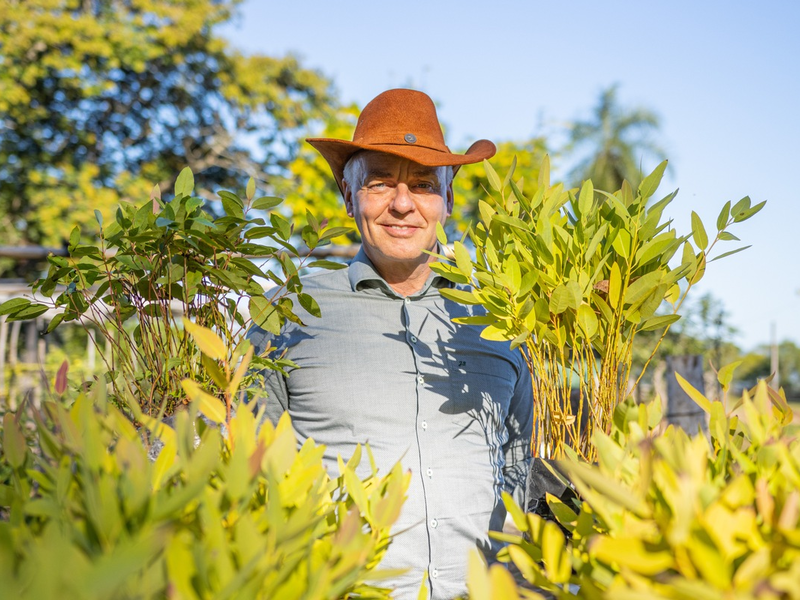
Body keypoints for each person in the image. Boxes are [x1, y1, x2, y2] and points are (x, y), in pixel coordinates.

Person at [248, 88, 533, 600]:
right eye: (380, 183)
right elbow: (246, 467)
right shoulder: (286, 310)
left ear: (447, 200)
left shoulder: (498, 316)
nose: (402, 204)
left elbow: (517, 461)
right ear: (347, 194)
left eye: (423, 185)